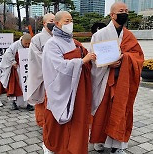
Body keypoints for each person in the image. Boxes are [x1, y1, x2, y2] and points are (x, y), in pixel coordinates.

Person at [89, 2, 144, 154]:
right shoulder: (99, 35)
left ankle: (119, 146)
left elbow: (138, 56)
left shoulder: (129, 36)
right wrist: (108, 64)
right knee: (102, 110)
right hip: (105, 80)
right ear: (112, 14)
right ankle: (99, 141)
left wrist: (125, 58)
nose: (124, 13)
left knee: (121, 110)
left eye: (126, 11)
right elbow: (93, 59)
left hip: (123, 82)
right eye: (121, 11)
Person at [42, 11, 96, 154]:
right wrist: (82, 61)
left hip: (78, 87)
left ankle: (74, 148)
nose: (70, 24)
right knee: (54, 119)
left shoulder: (74, 42)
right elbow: (59, 66)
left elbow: (87, 57)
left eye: (71, 20)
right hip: (60, 88)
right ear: (57, 23)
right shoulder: (51, 44)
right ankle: (51, 146)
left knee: (78, 118)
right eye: (66, 21)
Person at [27, 13, 55, 127]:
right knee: (42, 98)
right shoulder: (37, 38)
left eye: (55, 20)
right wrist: (54, 62)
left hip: (56, 74)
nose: (54, 23)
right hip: (43, 73)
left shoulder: (57, 36)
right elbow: (36, 57)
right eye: (51, 20)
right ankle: (43, 122)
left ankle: (53, 122)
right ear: (44, 23)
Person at [0, 33, 34, 111]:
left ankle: (29, 103)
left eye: (29, 44)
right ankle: (13, 102)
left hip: (27, 69)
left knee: (28, 85)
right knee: (15, 86)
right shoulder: (15, 45)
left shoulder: (32, 45)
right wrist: (13, 62)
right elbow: (7, 54)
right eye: (26, 43)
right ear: (22, 40)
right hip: (17, 69)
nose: (27, 45)